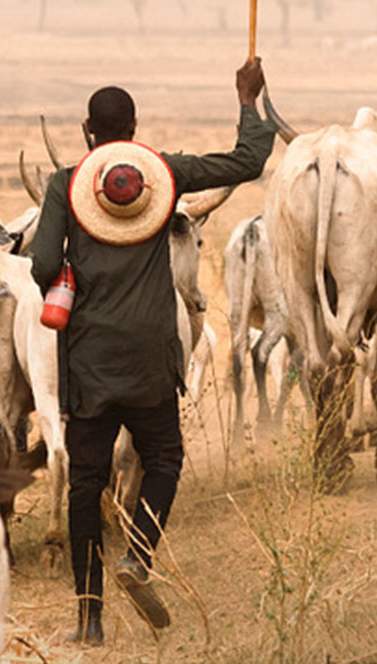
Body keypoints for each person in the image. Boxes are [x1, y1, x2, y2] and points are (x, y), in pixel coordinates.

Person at [30, 57, 275, 645]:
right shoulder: (162, 175)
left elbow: (40, 266)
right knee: (163, 459)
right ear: (133, 130)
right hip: (150, 362)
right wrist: (248, 100)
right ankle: (138, 555)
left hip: (89, 366)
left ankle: (89, 620)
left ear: (89, 131)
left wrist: (69, 276)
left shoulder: (65, 184)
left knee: (85, 487)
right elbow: (246, 163)